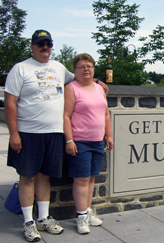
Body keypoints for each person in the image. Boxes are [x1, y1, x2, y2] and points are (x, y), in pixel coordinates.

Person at [4, 30, 107, 242]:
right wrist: (14, 133)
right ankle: (28, 223)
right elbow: (10, 102)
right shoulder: (20, 69)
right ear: (32, 46)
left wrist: (96, 80)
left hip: (53, 133)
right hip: (28, 133)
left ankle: (43, 218)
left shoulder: (59, 68)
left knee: (44, 177)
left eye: (48, 44)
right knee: (27, 177)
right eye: (40, 44)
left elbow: (79, 77)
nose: (45, 47)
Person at [63, 53, 114, 235]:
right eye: (81, 67)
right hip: (80, 141)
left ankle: (88, 210)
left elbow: (106, 113)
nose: (86, 69)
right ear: (75, 71)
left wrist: (108, 135)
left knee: (91, 178)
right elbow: (66, 116)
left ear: (93, 69)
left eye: (89, 66)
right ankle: (81, 217)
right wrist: (69, 140)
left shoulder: (99, 88)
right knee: (81, 179)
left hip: (97, 141)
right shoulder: (72, 88)